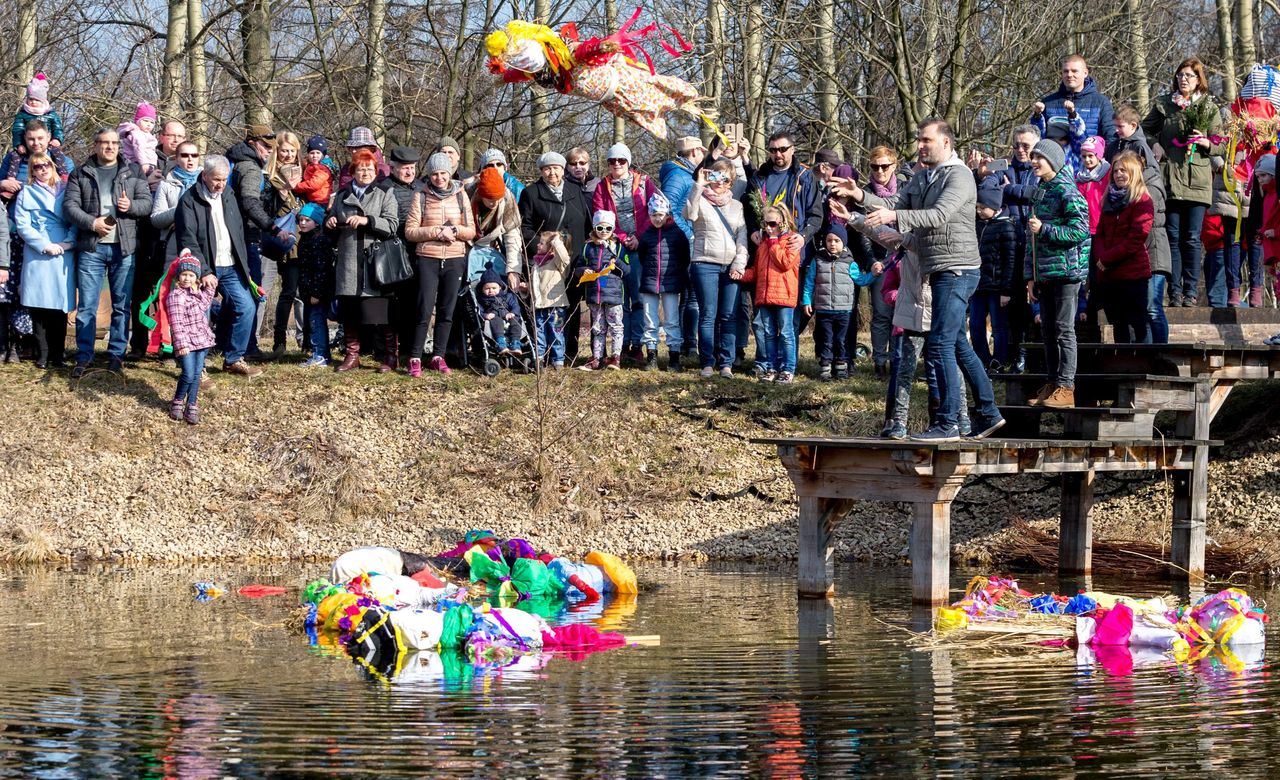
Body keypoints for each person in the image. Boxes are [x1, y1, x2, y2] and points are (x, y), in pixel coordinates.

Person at [841, 119, 1004, 441]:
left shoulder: (959, 176)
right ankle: (988, 412)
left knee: (940, 344)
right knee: (956, 344)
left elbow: (937, 215)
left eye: (926, 140)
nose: (920, 146)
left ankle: (948, 423)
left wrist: (895, 217)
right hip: (938, 268)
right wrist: (859, 194)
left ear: (946, 143)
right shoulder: (923, 177)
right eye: (918, 140)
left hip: (957, 269)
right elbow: (893, 205)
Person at [63, 127, 153, 377]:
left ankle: (116, 355)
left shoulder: (133, 171)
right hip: (92, 248)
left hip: (123, 248)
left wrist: (131, 205)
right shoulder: (80, 173)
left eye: (114, 142)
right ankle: (84, 356)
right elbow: (69, 206)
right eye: (104, 142)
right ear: (95, 145)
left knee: (122, 306)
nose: (110, 147)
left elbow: (147, 204)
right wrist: (92, 223)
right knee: (87, 307)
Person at [1142, 57, 1224, 307]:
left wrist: (1207, 143)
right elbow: (1143, 130)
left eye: (1189, 75)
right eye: (1180, 75)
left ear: (1199, 80)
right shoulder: (1165, 104)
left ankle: (1191, 292)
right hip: (1170, 181)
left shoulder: (1208, 107)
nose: (1183, 79)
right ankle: (1174, 292)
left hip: (1197, 181)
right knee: (1172, 237)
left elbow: (1221, 142)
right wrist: (1154, 144)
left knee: (1191, 238)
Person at [174, 155, 262, 378]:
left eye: (224, 180)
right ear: (204, 176)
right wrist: (203, 271)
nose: (220, 184)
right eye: (216, 180)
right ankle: (197, 369)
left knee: (247, 307)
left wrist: (244, 266)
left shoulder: (229, 195)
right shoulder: (189, 200)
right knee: (198, 316)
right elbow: (188, 239)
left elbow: (237, 232)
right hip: (205, 269)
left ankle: (233, 359)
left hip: (231, 266)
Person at [1024, 140, 1090, 408]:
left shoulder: (1067, 191)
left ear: (1054, 160)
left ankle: (1066, 387)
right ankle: (1052, 383)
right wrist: (1031, 276)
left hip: (1067, 273)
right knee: (1048, 331)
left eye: (1039, 157)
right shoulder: (1041, 190)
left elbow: (1080, 230)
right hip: (1045, 275)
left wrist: (1046, 229)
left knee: (1064, 330)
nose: (1034, 162)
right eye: (1033, 157)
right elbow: (1031, 239)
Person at [327, 149, 400, 373]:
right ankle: (352, 355)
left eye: (370, 169)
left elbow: (392, 225)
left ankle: (390, 356)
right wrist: (328, 223)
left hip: (375, 261)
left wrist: (367, 220)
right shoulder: (341, 195)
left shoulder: (385, 192)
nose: (366, 172)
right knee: (349, 312)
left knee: (381, 313)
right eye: (361, 169)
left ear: (376, 171)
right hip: (348, 260)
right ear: (353, 171)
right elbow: (333, 231)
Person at [403, 152, 474, 376]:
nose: (439, 178)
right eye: (434, 174)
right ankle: (415, 357)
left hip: (455, 257)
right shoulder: (420, 196)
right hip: (428, 257)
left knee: (447, 309)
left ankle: (438, 356)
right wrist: (436, 232)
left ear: (450, 173)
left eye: (443, 173)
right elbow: (410, 231)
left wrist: (454, 231)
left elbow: (471, 230)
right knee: (423, 309)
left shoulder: (462, 196)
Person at [225, 125, 291, 358]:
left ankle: (225, 343)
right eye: (265, 146)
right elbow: (250, 204)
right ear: (252, 142)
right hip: (247, 237)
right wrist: (273, 228)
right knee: (252, 292)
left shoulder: (233, 160)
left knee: (234, 293)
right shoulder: (250, 168)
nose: (268, 151)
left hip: (232, 236)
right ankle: (248, 348)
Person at [519, 151, 592, 363]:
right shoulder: (531, 193)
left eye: (557, 168)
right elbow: (525, 227)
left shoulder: (574, 190)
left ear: (563, 169)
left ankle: (569, 351)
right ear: (541, 171)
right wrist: (540, 247)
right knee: (549, 305)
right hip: (548, 261)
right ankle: (547, 352)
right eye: (547, 168)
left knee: (572, 303)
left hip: (574, 256)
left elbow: (586, 221)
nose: (553, 172)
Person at [592, 142, 657, 366]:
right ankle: (623, 345)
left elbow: (656, 209)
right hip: (615, 246)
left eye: (621, 160)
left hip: (641, 245)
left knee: (638, 298)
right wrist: (620, 237)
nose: (617, 164)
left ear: (628, 162)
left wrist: (639, 236)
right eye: (612, 161)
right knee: (619, 299)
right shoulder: (602, 186)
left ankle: (637, 345)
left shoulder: (645, 182)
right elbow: (599, 214)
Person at [1112, 104, 1172, 341]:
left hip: (1153, 254)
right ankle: (1145, 353)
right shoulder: (1123, 190)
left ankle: (1161, 352)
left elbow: (1146, 224)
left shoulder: (1151, 186)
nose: (1120, 174)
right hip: (1136, 257)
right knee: (1139, 311)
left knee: (1152, 307)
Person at [685, 160, 748, 378]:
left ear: (731, 183)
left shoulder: (737, 206)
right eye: (716, 177)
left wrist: (739, 264)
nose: (720, 182)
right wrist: (698, 185)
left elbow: (742, 238)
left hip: (731, 265)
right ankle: (707, 363)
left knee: (728, 315)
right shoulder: (700, 199)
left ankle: (726, 364)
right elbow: (688, 214)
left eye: (725, 179)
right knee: (708, 315)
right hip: (704, 263)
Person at [12, 152, 75, 368]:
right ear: (32, 170)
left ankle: (58, 354)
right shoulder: (26, 192)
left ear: (53, 166)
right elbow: (22, 224)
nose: (43, 169)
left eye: (46, 164)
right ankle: (42, 354)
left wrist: (69, 243)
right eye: (37, 166)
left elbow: (76, 218)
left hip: (63, 252)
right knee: (38, 306)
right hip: (38, 252)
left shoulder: (67, 190)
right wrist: (43, 245)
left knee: (60, 305)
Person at [858, 146, 909, 376]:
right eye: (874, 167)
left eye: (885, 166)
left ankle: (899, 359)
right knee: (881, 313)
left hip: (904, 255)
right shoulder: (866, 192)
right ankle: (880, 361)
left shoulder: (906, 189)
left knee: (903, 311)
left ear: (894, 166)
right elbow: (862, 232)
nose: (880, 171)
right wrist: (871, 261)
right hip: (880, 258)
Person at [1093, 152, 1154, 343]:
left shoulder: (1143, 201)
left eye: (1123, 170)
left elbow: (1135, 239)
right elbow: (1100, 233)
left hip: (1133, 274)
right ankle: (1125, 368)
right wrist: (1100, 258)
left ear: (1133, 172)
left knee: (1138, 323)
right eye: (1116, 171)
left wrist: (1107, 259)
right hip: (1109, 275)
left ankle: (1144, 363)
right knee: (1117, 323)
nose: (1118, 174)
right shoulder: (1108, 200)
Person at [801, 224, 875, 380]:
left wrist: (873, 275)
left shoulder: (850, 262)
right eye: (829, 240)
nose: (832, 244)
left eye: (837, 240)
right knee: (825, 340)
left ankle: (841, 365)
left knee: (841, 340)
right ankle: (826, 366)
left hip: (844, 311)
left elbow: (861, 280)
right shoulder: (818, 260)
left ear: (844, 243)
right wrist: (807, 300)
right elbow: (809, 282)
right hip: (823, 310)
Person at [743, 205, 803, 383]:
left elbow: (785, 263)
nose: (768, 228)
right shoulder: (763, 244)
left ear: (783, 223)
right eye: (765, 223)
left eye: (772, 224)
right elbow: (757, 270)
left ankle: (788, 368)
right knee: (768, 333)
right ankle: (771, 367)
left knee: (786, 332)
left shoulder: (791, 242)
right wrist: (741, 274)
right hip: (765, 295)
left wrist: (775, 242)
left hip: (784, 295)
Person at [263, 131, 304, 360]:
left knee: (299, 291)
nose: (288, 155)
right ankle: (278, 341)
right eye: (284, 150)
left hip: (301, 242)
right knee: (279, 292)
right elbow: (267, 211)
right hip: (279, 240)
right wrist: (283, 195)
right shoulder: (270, 178)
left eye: (292, 150)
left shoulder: (304, 177)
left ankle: (304, 338)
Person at [635, 192, 688, 371]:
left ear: (667, 215)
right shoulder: (646, 235)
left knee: (671, 320)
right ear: (649, 215)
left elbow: (684, 256)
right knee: (650, 320)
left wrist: (677, 274)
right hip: (650, 282)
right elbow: (642, 256)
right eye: (654, 215)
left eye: (661, 215)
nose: (657, 219)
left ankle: (674, 356)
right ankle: (652, 355)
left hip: (670, 282)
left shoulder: (677, 234)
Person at [165, 251, 215, 424]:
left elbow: (207, 301)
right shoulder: (175, 296)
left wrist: (210, 284)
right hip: (186, 343)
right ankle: (178, 401)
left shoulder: (197, 294)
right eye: (184, 274)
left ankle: (192, 404)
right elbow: (176, 323)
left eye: (191, 275)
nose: (187, 278)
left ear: (196, 277)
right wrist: (181, 344)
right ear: (178, 276)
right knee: (187, 373)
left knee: (196, 374)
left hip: (202, 341)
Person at [971, 184, 1016, 371]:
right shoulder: (978, 225)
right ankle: (983, 359)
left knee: (998, 326)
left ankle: (999, 360)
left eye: (983, 207)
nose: (979, 211)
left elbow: (1010, 261)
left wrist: (1006, 290)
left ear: (995, 207)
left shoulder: (1006, 227)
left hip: (997, 287)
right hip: (978, 285)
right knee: (975, 325)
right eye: (977, 207)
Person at [1208, 150, 1262, 307]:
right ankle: (1233, 290)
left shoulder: (1265, 127)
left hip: (1255, 188)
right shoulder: (1226, 127)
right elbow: (1213, 145)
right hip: (1229, 188)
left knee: (1256, 241)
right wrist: (1221, 166)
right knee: (1232, 240)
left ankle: (1256, 289)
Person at [1030, 54, 1117, 149]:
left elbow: (1111, 138)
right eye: (1066, 71)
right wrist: (1037, 116)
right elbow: (1036, 137)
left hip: (1088, 161)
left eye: (1074, 71)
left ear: (1085, 73)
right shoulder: (1048, 102)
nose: (1069, 75)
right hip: (1057, 162)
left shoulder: (1101, 102)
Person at [575, 209, 626, 370]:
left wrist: (615, 260)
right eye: (600, 228)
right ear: (595, 228)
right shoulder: (587, 248)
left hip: (613, 295)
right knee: (597, 328)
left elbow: (627, 270)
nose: (604, 232)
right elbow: (577, 267)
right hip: (594, 294)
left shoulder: (618, 247)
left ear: (612, 230)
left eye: (608, 229)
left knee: (616, 326)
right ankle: (597, 358)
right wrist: (582, 270)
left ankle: (615, 358)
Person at [296, 202, 335, 368]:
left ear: (317, 222)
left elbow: (322, 269)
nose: (303, 223)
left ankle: (320, 354)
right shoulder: (305, 239)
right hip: (308, 289)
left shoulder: (320, 240)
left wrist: (316, 293)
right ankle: (322, 353)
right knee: (314, 321)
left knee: (316, 322)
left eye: (307, 220)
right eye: (301, 220)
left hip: (317, 292)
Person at [528, 230, 571, 369]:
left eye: (542, 243)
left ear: (551, 246)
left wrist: (556, 240)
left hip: (556, 306)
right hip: (539, 306)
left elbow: (565, 258)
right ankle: (539, 358)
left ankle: (558, 360)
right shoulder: (536, 265)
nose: (538, 245)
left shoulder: (557, 262)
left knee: (556, 332)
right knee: (539, 333)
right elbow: (536, 286)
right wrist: (526, 288)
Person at [150, 142, 201, 256]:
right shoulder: (166, 184)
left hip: (202, 245)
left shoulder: (206, 183)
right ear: (177, 159)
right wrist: (180, 212)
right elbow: (156, 219)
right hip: (174, 246)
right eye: (184, 155)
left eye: (194, 155)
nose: (190, 159)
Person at [11, 73, 64, 154]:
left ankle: (60, 167)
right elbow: (18, 131)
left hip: (48, 145)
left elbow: (57, 128)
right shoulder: (22, 114)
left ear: (43, 101)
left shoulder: (51, 114)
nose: (33, 102)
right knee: (15, 158)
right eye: (31, 99)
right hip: (27, 146)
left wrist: (57, 139)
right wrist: (19, 145)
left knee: (59, 157)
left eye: (37, 100)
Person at [477, 267, 524, 355]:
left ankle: (515, 343)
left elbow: (515, 306)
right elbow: (480, 311)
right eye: (487, 289)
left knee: (516, 320)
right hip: (494, 317)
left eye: (494, 288)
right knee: (496, 320)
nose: (491, 291)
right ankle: (500, 343)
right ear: (482, 289)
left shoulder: (507, 296)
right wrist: (485, 315)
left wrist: (512, 313)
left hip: (508, 316)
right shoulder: (482, 300)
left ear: (500, 287)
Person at [118, 102, 159, 175]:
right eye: (145, 121)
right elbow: (139, 148)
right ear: (138, 121)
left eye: (152, 122)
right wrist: (143, 162)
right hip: (137, 163)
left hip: (147, 164)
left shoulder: (147, 134)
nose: (149, 124)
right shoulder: (137, 133)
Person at [295, 135, 335, 206]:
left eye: (318, 153)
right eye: (312, 153)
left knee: (303, 216)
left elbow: (314, 184)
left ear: (323, 155)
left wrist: (297, 187)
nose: (315, 156)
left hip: (321, 201)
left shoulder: (322, 168)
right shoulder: (310, 164)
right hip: (313, 199)